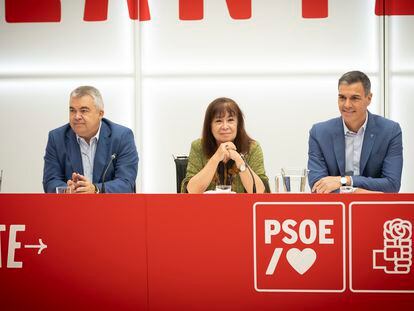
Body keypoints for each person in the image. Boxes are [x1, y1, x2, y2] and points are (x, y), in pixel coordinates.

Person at [307, 71, 403, 193]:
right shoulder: (319, 133)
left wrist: (345, 180)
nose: (347, 105)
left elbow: (392, 185)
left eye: (354, 98)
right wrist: (356, 192)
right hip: (334, 210)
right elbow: (318, 186)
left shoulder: (390, 131)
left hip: (376, 210)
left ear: (369, 98)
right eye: (342, 98)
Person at [43, 86, 138, 193]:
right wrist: (68, 190)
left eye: (84, 110)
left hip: (111, 207)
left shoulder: (122, 137)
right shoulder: (57, 138)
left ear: (100, 114)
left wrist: (95, 189)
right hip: (70, 207)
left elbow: (126, 183)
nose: (77, 116)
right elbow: (50, 181)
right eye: (72, 110)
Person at [182, 97, 270, 193]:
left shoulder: (252, 148)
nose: (225, 127)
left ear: (238, 124)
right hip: (206, 207)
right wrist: (216, 158)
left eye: (230, 120)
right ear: (209, 125)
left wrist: (239, 160)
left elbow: (261, 193)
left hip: (243, 207)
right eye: (218, 121)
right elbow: (190, 192)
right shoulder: (198, 147)